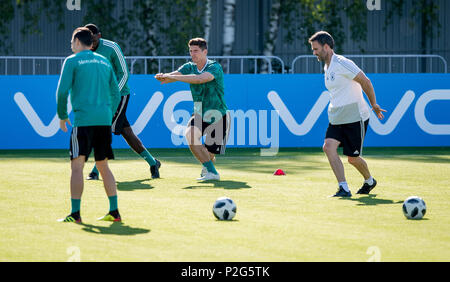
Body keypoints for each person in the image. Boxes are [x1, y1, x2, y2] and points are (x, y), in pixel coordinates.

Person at [308, 31, 387, 197]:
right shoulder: (326, 65)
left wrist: (374, 104)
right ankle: (343, 188)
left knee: (353, 158)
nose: (314, 52)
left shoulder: (342, 63)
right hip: (336, 117)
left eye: (316, 49)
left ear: (327, 47)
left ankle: (369, 181)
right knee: (328, 148)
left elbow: (366, 81)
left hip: (355, 117)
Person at [56, 27, 122, 223]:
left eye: (71, 42)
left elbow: (62, 92)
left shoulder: (72, 60)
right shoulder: (103, 61)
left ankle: (75, 214)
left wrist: (61, 115)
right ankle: (114, 211)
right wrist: (108, 114)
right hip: (103, 120)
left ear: (77, 42)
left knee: (77, 167)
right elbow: (116, 93)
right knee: (103, 166)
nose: (70, 45)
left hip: (84, 121)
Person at [84, 23, 161, 180]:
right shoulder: (84, 51)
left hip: (118, 96)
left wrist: (111, 93)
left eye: (92, 39)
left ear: (98, 36)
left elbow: (124, 74)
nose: (89, 42)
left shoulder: (112, 48)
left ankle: (95, 171)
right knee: (127, 133)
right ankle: (153, 163)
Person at [155, 38, 230, 181]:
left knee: (208, 154)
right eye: (190, 51)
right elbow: (175, 76)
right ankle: (213, 173)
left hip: (218, 114)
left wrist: (172, 77)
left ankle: (208, 166)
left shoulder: (215, 67)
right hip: (199, 112)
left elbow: (200, 79)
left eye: (196, 51)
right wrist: (164, 77)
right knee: (190, 135)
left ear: (205, 52)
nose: (192, 54)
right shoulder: (189, 66)